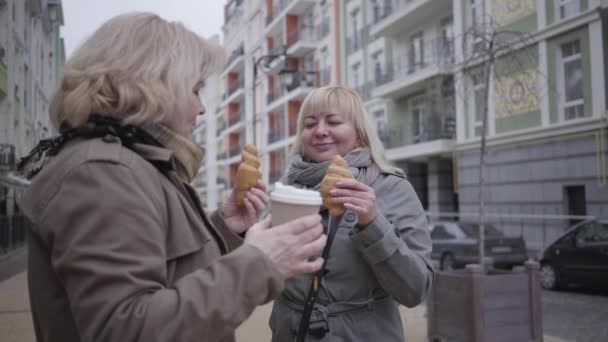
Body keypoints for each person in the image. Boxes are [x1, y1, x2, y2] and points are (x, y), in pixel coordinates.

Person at [17, 13, 326, 342]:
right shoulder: (101, 173)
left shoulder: (127, 163)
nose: (201, 108)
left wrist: (222, 227)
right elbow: (126, 329)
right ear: (155, 87)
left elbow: (165, 268)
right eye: (195, 90)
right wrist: (260, 263)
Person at [269, 86, 434, 341]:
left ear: (359, 133)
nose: (320, 131)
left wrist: (373, 224)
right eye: (310, 124)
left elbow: (415, 290)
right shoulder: (286, 189)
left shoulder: (392, 188)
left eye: (333, 121)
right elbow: (259, 275)